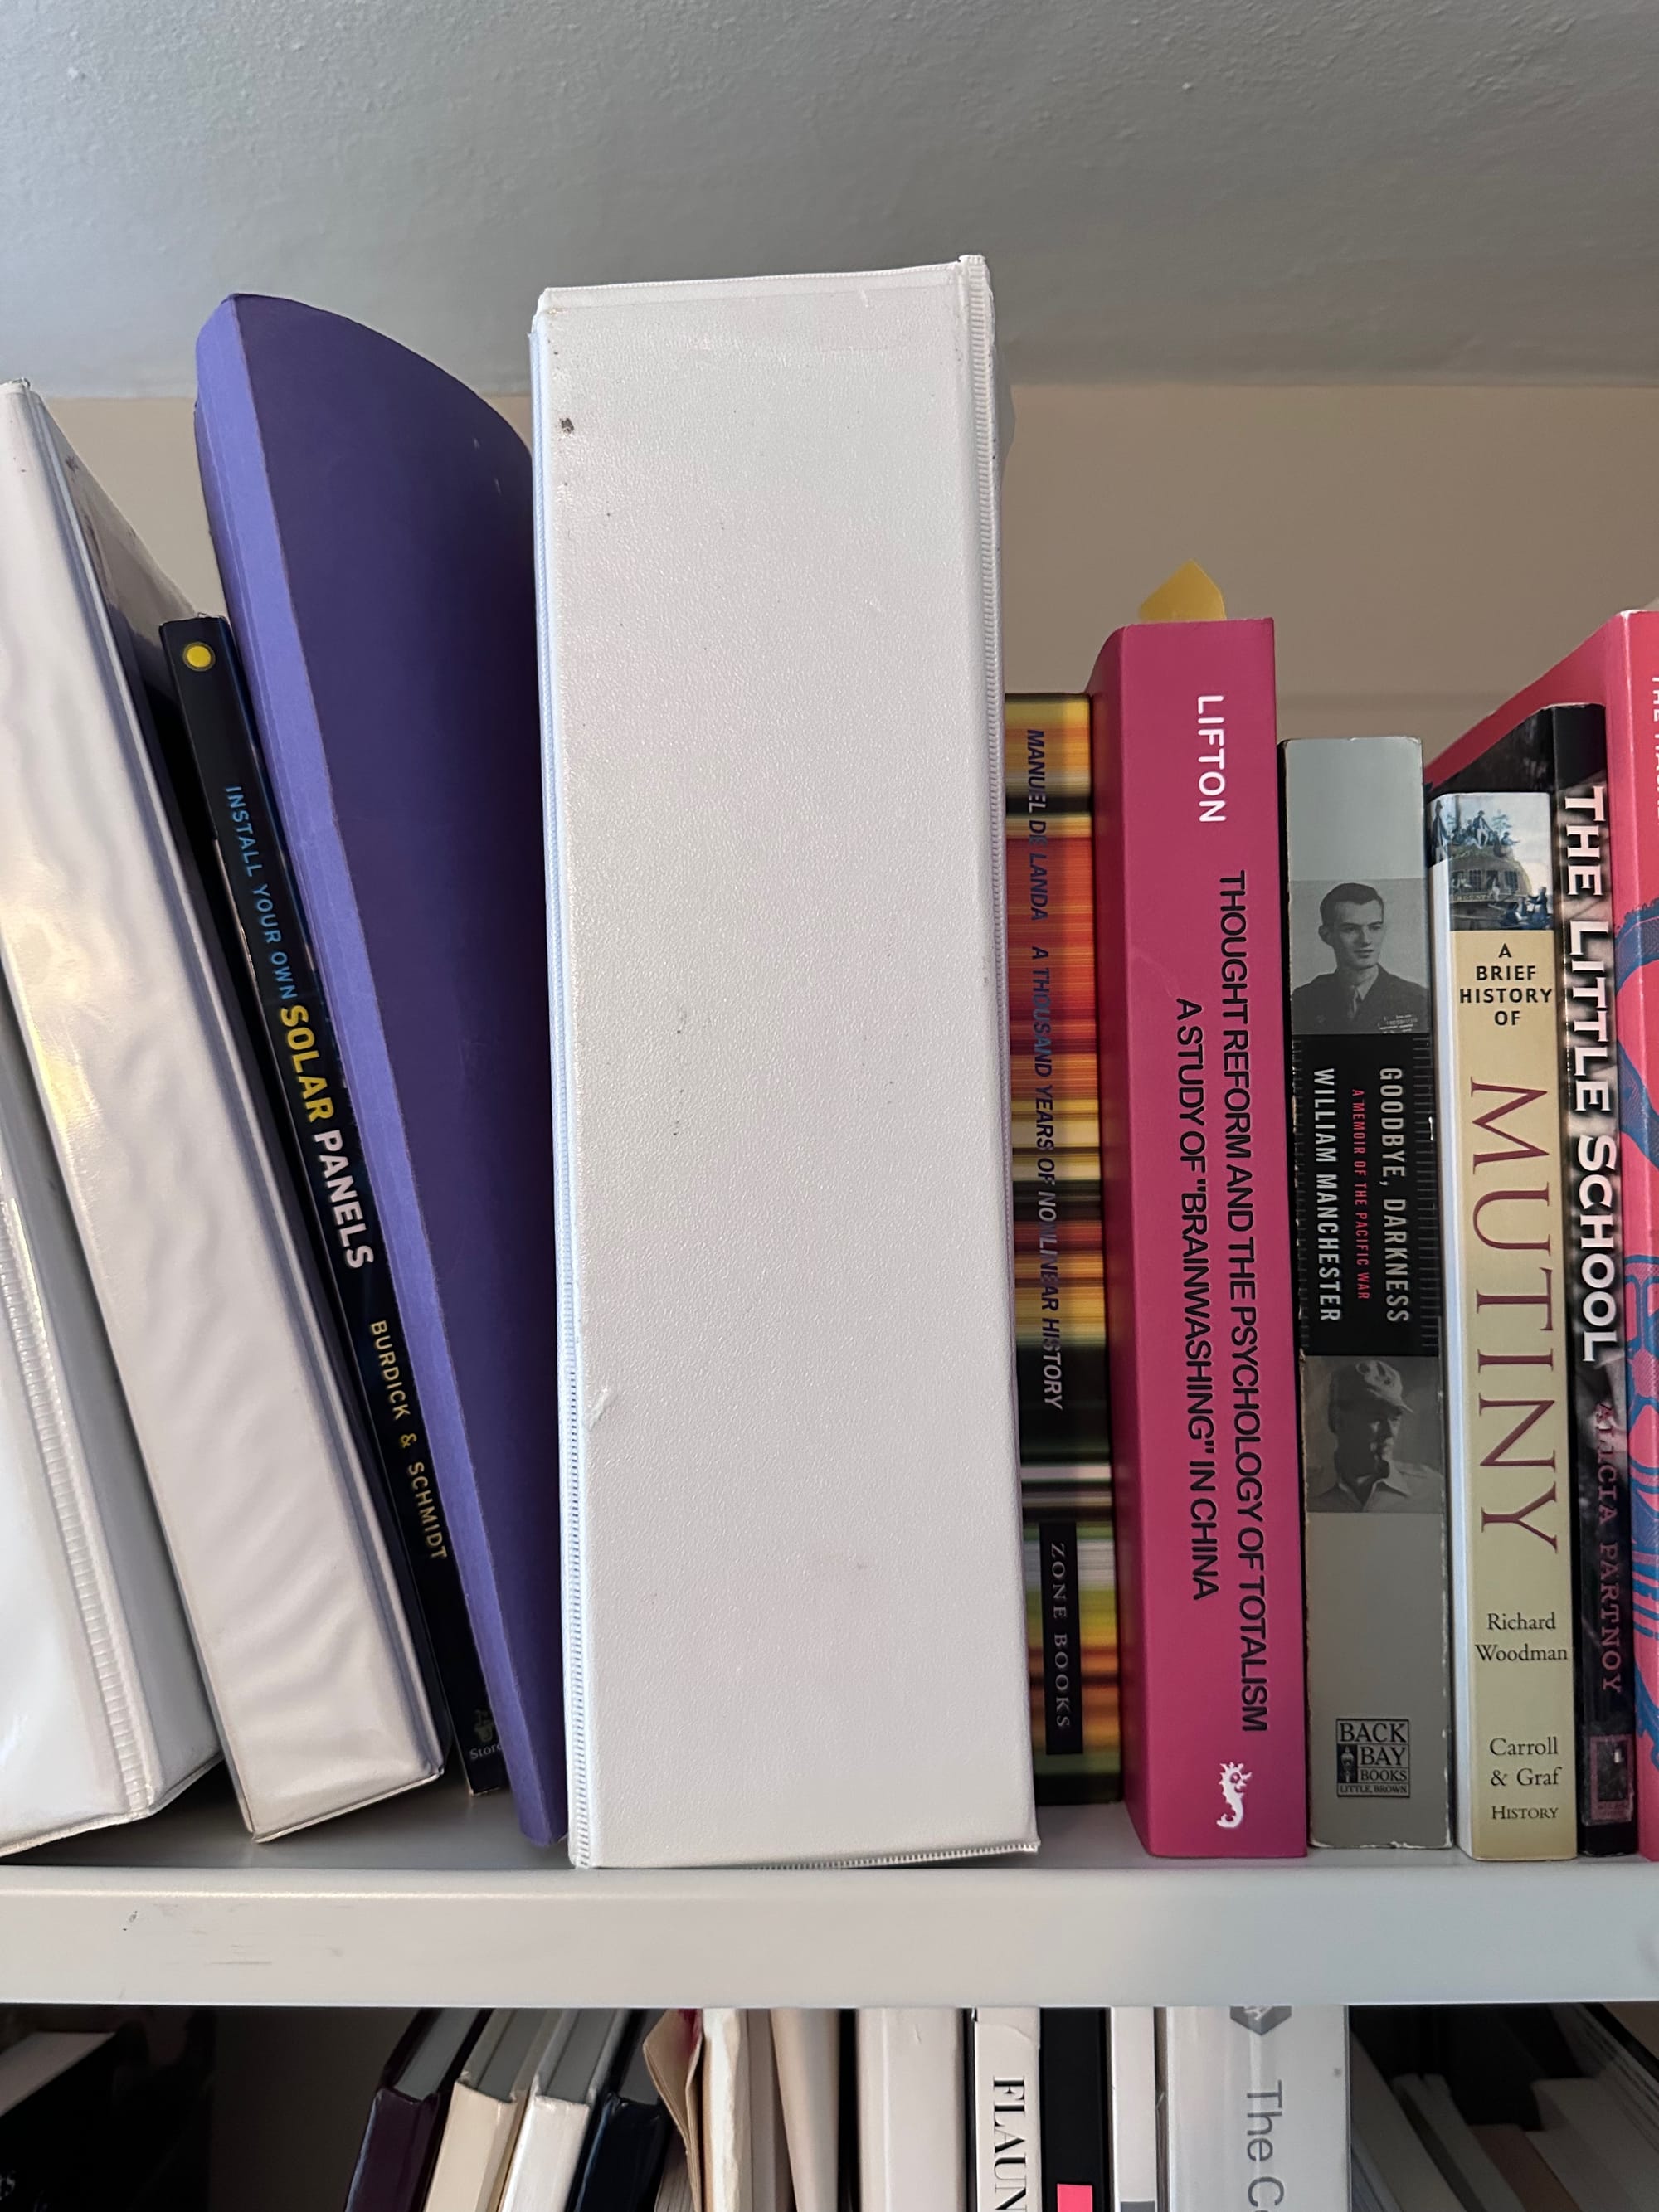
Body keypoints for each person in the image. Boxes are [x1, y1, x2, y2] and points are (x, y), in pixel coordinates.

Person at [1306, 1359, 1443, 1514]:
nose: (1390, 1432)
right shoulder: (1306, 1491)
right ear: (1337, 1419)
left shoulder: (1432, 1490)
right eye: (1376, 1417)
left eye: (1394, 1418)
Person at [1291, 882, 1429, 1033]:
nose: (1365, 940)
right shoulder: (1305, 1000)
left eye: (1374, 928)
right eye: (1350, 929)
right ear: (1326, 935)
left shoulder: (1417, 1000)